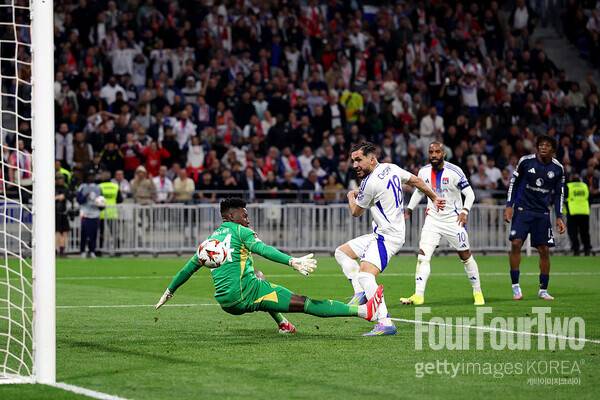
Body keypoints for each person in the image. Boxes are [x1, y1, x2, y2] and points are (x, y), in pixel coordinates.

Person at [154, 198, 384, 335]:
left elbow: (187, 269)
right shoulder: (241, 232)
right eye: (244, 215)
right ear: (232, 216)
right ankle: (364, 311)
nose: (248, 219)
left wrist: (169, 291)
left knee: (258, 276)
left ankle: (283, 324)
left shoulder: (210, 241)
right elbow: (263, 249)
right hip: (245, 294)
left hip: (226, 302)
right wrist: (292, 261)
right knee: (305, 303)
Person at [334, 142, 445, 336]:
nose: (355, 165)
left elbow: (356, 212)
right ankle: (360, 293)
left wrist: (351, 195)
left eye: (359, 160)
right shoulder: (390, 167)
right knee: (341, 253)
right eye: (353, 161)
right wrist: (434, 197)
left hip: (388, 236)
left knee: (366, 275)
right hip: (382, 234)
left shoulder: (369, 183)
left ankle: (385, 322)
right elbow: (416, 181)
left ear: (372, 159)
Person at [400, 142, 485, 306]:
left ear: (444, 154)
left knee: (465, 256)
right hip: (432, 220)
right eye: (431, 152)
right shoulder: (423, 172)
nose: (433, 155)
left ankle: (477, 292)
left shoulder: (455, 171)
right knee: (423, 256)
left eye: (437, 152)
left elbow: (470, 194)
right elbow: (419, 191)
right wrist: (409, 209)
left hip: (453, 221)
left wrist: (465, 211)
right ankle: (418, 295)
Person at [504, 134, 566, 301]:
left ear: (553, 149)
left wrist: (559, 216)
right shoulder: (526, 161)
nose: (543, 147)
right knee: (516, 244)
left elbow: (559, 194)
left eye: (547, 145)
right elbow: (513, 183)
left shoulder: (558, 168)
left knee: (544, 250)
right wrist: (509, 205)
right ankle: (515, 287)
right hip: (522, 210)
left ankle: (543, 289)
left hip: (542, 213)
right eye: (541, 144)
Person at [77, 170, 103, 258]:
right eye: (89, 176)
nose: (91, 177)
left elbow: (102, 200)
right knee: (84, 233)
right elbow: (79, 200)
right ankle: (83, 251)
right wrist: (85, 196)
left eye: (92, 176)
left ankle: (92, 251)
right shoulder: (82, 187)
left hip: (95, 213)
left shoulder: (98, 187)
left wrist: (100, 204)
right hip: (85, 212)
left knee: (94, 233)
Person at [564, 174, 591, 256]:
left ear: (571, 178)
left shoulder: (568, 186)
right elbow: (589, 197)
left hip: (572, 212)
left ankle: (576, 250)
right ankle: (587, 250)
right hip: (584, 212)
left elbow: (564, 198)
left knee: (573, 232)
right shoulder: (584, 186)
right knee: (585, 232)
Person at [55, 173, 71, 257]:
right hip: (55, 214)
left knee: (64, 232)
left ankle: (62, 249)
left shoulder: (66, 189)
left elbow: (69, 196)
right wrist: (57, 197)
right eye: (59, 179)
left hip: (64, 213)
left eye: (61, 179)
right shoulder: (52, 188)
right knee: (56, 232)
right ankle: (55, 249)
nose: (61, 180)